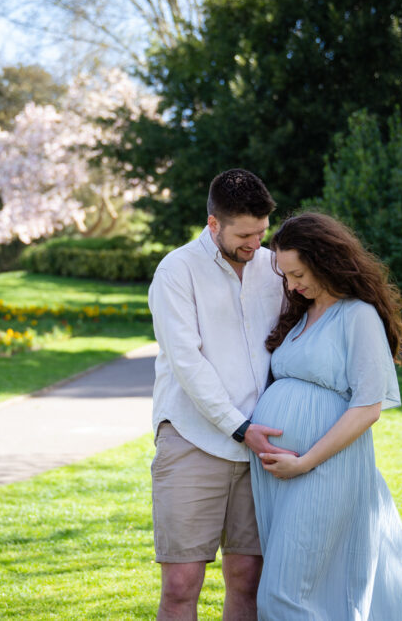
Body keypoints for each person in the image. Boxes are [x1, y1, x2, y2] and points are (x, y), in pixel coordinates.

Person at [250, 212, 402, 620]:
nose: (292, 285)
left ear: (325, 260)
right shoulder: (300, 313)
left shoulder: (358, 315)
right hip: (282, 475)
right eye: (286, 276)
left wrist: (304, 461)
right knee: (316, 589)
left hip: (324, 468)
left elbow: (368, 408)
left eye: (298, 274)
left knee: (284, 594)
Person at [148, 169, 288, 620]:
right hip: (192, 441)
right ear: (213, 224)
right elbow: (188, 364)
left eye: (262, 232)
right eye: (244, 234)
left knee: (249, 579)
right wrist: (239, 427)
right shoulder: (176, 271)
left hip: (257, 451)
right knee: (181, 587)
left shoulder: (272, 267)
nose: (255, 244)